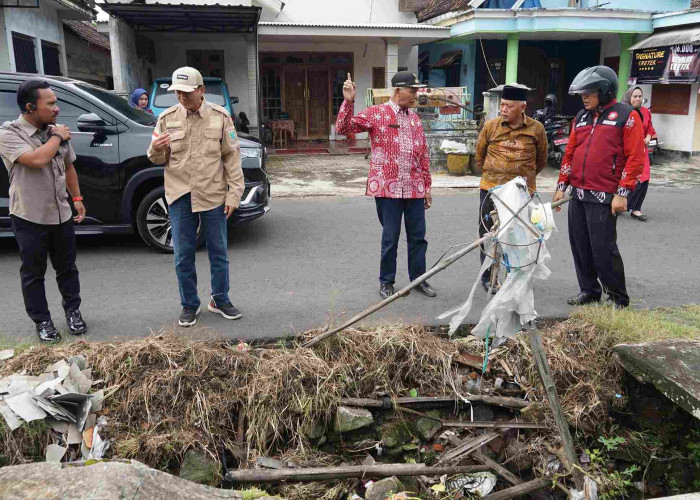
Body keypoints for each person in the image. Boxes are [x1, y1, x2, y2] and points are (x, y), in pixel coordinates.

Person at [147, 67, 245, 327]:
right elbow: (157, 158)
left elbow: (232, 158)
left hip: (213, 194)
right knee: (183, 255)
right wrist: (155, 149)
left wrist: (234, 195)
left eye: (187, 92)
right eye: (177, 92)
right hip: (180, 195)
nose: (181, 97)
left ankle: (220, 299)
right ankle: (190, 304)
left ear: (201, 91)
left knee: (219, 252)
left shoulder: (220, 117)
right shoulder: (166, 118)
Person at [0, 79, 88, 342]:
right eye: (50, 104)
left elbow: (69, 165)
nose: (56, 108)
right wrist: (58, 136)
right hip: (29, 215)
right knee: (33, 272)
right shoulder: (9, 134)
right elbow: (37, 159)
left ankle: (73, 311)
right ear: (30, 107)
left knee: (67, 268)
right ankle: (43, 320)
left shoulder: (54, 131)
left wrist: (77, 197)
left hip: (60, 213)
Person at [335, 71, 435, 299]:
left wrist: (427, 186)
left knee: (418, 237)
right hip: (387, 189)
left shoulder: (415, 119)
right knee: (390, 237)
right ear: (399, 91)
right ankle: (386, 282)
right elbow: (343, 128)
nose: (416, 95)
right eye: (413, 91)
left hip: (414, 187)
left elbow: (423, 154)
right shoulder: (377, 114)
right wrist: (348, 101)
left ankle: (419, 279)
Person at [553, 66, 645, 309]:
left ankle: (618, 297)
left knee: (603, 249)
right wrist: (562, 185)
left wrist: (623, 193)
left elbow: (635, 157)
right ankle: (590, 291)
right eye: (581, 93)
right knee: (580, 246)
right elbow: (570, 152)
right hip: (578, 194)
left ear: (604, 91)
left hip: (605, 195)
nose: (584, 97)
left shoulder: (627, 116)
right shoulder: (581, 117)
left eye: (588, 92)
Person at [475, 84, 547, 292]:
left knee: (517, 235)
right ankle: (488, 277)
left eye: (509, 106)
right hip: (491, 189)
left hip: (520, 193)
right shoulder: (491, 126)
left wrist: (522, 178)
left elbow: (540, 161)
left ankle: (515, 275)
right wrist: (496, 173)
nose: (503, 109)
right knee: (489, 234)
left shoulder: (536, 129)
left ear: (522, 107)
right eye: (502, 105)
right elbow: (480, 156)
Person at [623, 86, 656, 221]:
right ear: (629, 97)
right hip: (626, 152)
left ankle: (636, 208)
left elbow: (650, 129)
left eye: (640, 96)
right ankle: (619, 203)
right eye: (635, 96)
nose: (638, 99)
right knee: (625, 178)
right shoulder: (624, 112)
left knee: (643, 178)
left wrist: (648, 137)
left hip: (642, 152)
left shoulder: (645, 112)